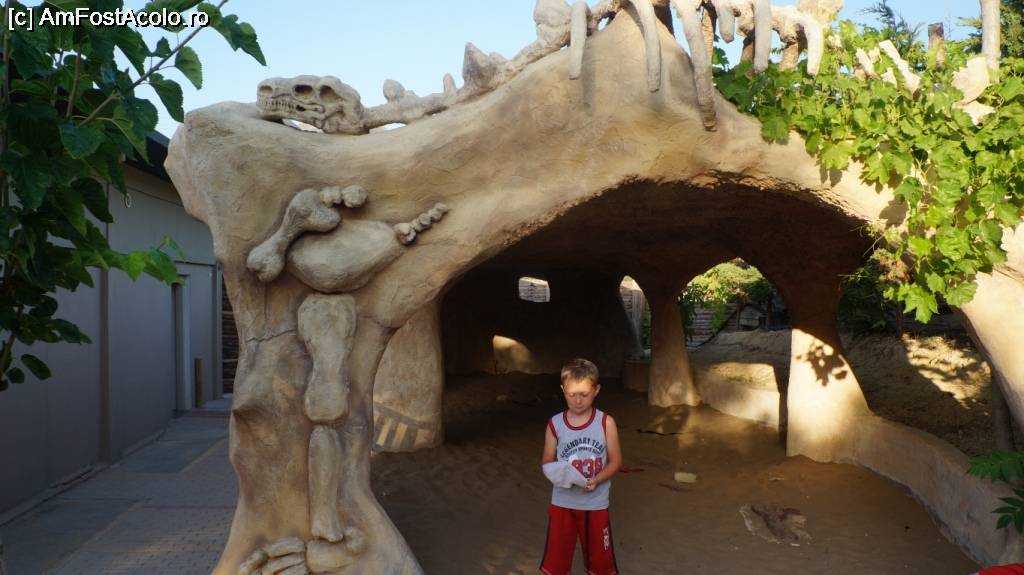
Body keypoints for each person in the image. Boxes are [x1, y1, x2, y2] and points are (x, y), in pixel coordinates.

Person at [540, 358, 622, 575]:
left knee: (600, 563)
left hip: (595, 503)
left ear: (596, 390)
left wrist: (598, 479)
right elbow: (547, 461)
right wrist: (561, 475)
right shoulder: (555, 424)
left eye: (584, 394)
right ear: (562, 390)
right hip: (562, 502)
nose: (577, 401)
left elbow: (616, 461)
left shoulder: (606, 423)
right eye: (571, 394)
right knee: (556, 562)